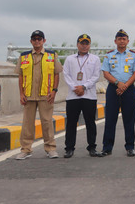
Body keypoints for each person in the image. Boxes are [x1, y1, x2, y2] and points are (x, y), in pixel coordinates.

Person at [16, 30, 63, 160]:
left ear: (44, 41)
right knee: (27, 123)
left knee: (47, 122)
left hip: (46, 94)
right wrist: (21, 93)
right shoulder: (24, 56)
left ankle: (51, 148)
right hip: (29, 95)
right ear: (31, 41)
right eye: (34, 39)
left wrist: (54, 91)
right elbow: (20, 76)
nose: (37, 41)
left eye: (39, 39)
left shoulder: (52, 55)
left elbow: (56, 74)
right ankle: (26, 149)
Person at [63, 34, 103, 158]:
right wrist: (75, 88)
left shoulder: (95, 59)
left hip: (89, 95)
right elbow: (66, 75)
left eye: (87, 43)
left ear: (89, 45)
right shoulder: (69, 59)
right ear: (77, 44)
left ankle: (92, 147)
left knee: (90, 122)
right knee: (71, 123)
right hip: (73, 96)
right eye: (82, 43)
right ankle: (69, 148)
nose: (84, 46)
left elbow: (96, 76)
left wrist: (84, 87)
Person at [101, 29, 135, 157]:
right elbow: (106, 73)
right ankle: (107, 147)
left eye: (124, 39)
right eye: (119, 39)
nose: (122, 41)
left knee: (129, 119)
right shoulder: (109, 55)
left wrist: (125, 85)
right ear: (115, 41)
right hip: (113, 89)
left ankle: (130, 147)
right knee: (110, 119)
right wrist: (118, 84)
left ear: (128, 41)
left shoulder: (134, 56)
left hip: (129, 89)